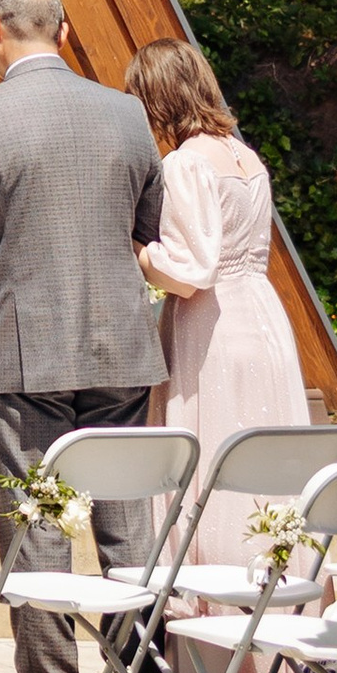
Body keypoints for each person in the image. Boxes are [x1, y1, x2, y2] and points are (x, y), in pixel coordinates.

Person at [0, 0, 168, 673]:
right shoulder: (127, 115)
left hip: (25, 348)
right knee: (129, 524)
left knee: (37, 522)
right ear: (64, 30)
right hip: (120, 341)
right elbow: (149, 225)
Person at [129, 37, 307, 541]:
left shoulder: (185, 162)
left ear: (158, 98)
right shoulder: (248, 158)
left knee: (212, 449)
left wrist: (140, 252)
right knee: (262, 450)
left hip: (212, 326)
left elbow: (191, 270)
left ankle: (212, 594)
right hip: (262, 314)